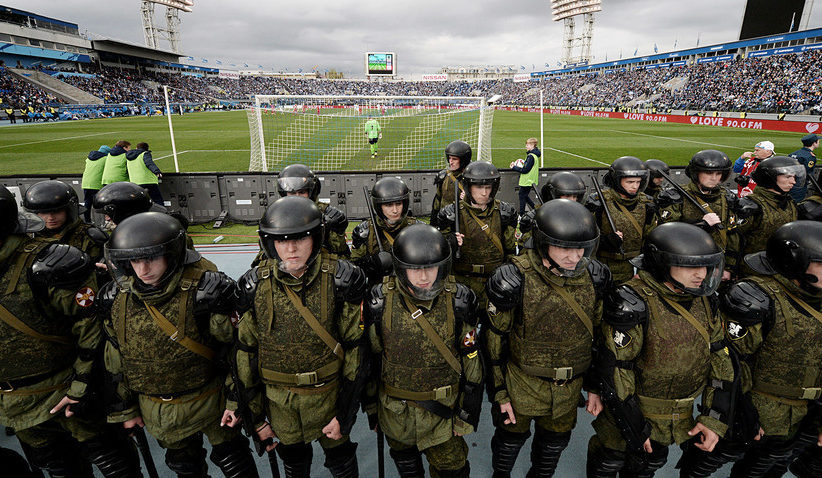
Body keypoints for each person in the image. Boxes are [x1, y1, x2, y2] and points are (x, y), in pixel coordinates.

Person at [101, 212, 258, 478]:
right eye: (135, 260)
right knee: (184, 465)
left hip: (211, 400)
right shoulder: (117, 299)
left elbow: (236, 351)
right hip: (157, 407)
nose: (143, 270)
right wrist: (123, 408)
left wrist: (236, 400)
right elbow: (116, 357)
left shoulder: (205, 292)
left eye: (151, 258)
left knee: (233, 459)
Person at [0, 185, 140, 477]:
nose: (49, 218)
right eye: (43, 212)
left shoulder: (61, 253)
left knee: (112, 461)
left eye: (55, 210)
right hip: (17, 401)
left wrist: (81, 386)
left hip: (68, 385)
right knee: (59, 467)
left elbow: (90, 326)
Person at [229, 196, 367, 477]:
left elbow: (356, 352)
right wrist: (255, 420)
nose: (290, 249)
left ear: (315, 239)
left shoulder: (339, 279)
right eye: (281, 241)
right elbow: (245, 356)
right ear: (270, 243)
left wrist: (344, 413)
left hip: (328, 396)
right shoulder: (255, 286)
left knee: (341, 459)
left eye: (299, 239)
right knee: (293, 461)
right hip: (279, 403)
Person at [587, 222, 734, 477]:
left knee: (648, 467)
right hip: (629, 415)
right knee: (608, 463)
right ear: (662, 263)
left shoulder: (706, 301)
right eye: (690, 266)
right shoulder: (632, 302)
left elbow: (721, 361)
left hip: (677, 420)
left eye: (705, 266)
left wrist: (713, 419)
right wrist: (635, 428)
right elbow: (618, 371)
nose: (701, 274)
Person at [485, 199, 610, 477]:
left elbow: (600, 338)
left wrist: (594, 386)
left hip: (568, 389)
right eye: (564, 247)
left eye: (580, 248)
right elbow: (494, 342)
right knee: (508, 446)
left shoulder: (594, 277)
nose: (574, 256)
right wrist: (499, 394)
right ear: (543, 243)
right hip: (521, 387)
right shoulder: (515, 278)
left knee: (551, 451)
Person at [693, 220, 822, 477]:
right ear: (795, 263)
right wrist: (738, 412)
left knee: (773, 465)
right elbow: (730, 362)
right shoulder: (758, 299)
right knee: (706, 462)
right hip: (756, 409)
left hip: (804, 414)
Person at [364, 223, 483, 478]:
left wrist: (467, 415)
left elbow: (472, 365)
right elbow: (373, 362)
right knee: (408, 469)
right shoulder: (381, 302)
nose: (424, 277)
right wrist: (373, 411)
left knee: (453, 470)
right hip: (397, 416)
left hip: (444, 416)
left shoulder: (458, 301)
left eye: (430, 267)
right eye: (414, 269)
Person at [438, 161, 518, 322]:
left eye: (488, 187)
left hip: (495, 283)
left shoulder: (503, 213)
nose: (484, 193)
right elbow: (439, 253)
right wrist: (451, 241)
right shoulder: (452, 215)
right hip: (462, 283)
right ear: (468, 187)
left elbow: (510, 250)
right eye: (479, 187)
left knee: (495, 334)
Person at [658, 150, 737, 280]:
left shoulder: (727, 197)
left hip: (719, 265)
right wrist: (701, 225)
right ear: (696, 173)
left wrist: (729, 268)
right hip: (685, 265)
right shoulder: (677, 196)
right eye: (708, 173)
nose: (714, 178)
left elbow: (734, 236)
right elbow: (666, 234)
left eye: (718, 174)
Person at [585, 156, 657, 284]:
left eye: (638, 182)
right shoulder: (599, 202)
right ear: (617, 181)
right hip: (606, 267)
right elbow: (585, 238)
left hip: (636, 269)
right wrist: (604, 241)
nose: (635, 186)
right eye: (629, 182)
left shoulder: (647, 203)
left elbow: (650, 237)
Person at [732, 156, 804, 276]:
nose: (793, 181)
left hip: (781, 268)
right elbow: (733, 240)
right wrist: (730, 269)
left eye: (794, 177)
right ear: (770, 178)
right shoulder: (750, 206)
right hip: (753, 271)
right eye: (787, 177)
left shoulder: (788, 202)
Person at [351, 177, 419, 285]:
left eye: (398, 204)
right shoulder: (366, 232)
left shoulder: (417, 229)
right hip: (378, 290)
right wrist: (372, 262)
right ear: (379, 207)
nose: (395, 210)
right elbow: (354, 266)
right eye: (388, 205)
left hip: (409, 286)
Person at [23, 180, 107, 262]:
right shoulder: (27, 237)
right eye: (44, 213)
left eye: (57, 212)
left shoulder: (90, 237)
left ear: (69, 211)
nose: (51, 217)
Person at [518, 171, 588, 249]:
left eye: (575, 196)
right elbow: (525, 246)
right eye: (567, 196)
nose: (572, 200)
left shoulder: (583, 217)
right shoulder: (538, 218)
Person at [430, 141, 472, 228]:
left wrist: (468, 197)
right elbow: (437, 201)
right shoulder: (443, 176)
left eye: (454, 159)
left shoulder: (472, 179)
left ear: (464, 160)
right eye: (449, 158)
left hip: (464, 223)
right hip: (444, 220)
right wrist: (433, 223)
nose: (451, 162)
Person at [510, 138, 540, 216]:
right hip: (530, 180)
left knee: (522, 197)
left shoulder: (531, 156)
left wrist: (514, 167)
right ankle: (536, 209)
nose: (526, 146)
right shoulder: (534, 155)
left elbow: (525, 170)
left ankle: (522, 215)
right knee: (524, 196)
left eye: (527, 145)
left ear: (533, 145)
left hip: (527, 181)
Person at [81, 145, 111, 222]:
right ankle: (107, 221)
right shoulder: (106, 159)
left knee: (87, 203)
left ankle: (87, 221)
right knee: (104, 203)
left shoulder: (89, 159)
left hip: (86, 183)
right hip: (97, 184)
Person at [788, 133, 819, 202]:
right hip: (799, 186)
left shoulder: (793, 153)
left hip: (787, 182)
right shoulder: (810, 156)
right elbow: (808, 173)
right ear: (814, 143)